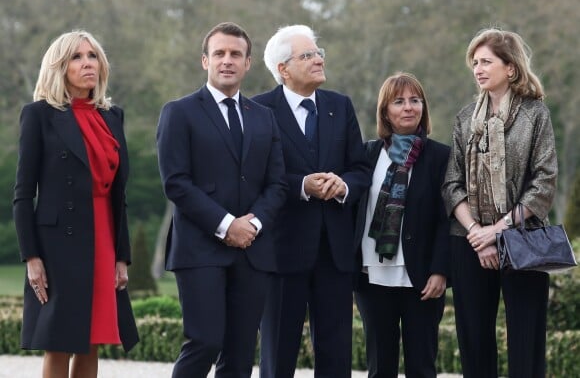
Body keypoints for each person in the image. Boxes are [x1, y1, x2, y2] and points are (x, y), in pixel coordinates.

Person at [156, 22, 287, 378]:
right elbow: (176, 183)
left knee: (241, 353)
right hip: (200, 250)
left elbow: (277, 184)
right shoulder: (179, 112)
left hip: (253, 250)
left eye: (235, 54)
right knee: (204, 342)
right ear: (205, 61)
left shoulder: (265, 118)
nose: (226, 60)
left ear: (248, 63)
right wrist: (227, 225)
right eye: (219, 53)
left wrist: (252, 225)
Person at [12, 30, 139, 378]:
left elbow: (119, 195)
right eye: (77, 57)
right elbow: (23, 193)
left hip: (102, 235)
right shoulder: (38, 115)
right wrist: (31, 257)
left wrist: (121, 257)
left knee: (92, 340)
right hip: (57, 245)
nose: (87, 64)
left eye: (93, 56)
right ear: (60, 67)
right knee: (60, 341)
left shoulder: (113, 117)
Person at [254, 24, 371, 378]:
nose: (318, 59)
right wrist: (302, 185)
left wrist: (343, 185)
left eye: (318, 52)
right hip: (281, 249)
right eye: (307, 55)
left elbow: (360, 167)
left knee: (336, 353)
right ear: (282, 69)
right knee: (278, 351)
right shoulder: (259, 110)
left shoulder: (340, 105)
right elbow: (255, 175)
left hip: (334, 249)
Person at [441, 28, 557, 378]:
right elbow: (451, 184)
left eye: (486, 61)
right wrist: (478, 232)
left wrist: (498, 230)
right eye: (474, 62)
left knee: (526, 339)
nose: (478, 68)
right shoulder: (464, 118)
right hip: (469, 242)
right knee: (473, 340)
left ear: (510, 68)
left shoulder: (535, 114)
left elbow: (544, 181)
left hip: (523, 239)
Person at [353, 72, 450, 378]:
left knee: (422, 365)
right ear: (385, 112)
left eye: (415, 100)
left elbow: (447, 219)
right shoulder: (366, 155)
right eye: (399, 101)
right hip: (372, 274)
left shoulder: (440, 157)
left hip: (421, 276)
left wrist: (440, 270)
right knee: (380, 366)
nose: (409, 107)